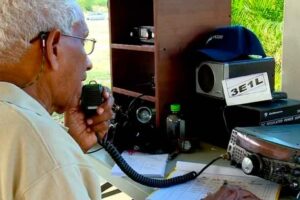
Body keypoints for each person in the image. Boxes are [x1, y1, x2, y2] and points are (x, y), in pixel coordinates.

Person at [0, 0, 114, 199]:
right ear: (53, 47)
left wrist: (71, 148)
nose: (88, 63)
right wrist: (60, 158)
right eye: (83, 41)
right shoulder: (41, 148)